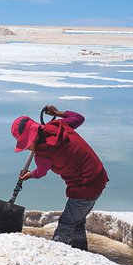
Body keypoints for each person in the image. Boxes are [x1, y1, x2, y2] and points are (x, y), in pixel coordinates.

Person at [10, 105, 108, 250]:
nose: (27, 148)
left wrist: (30, 175)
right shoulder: (59, 125)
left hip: (84, 187)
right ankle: (81, 251)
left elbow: (41, 172)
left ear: (33, 137)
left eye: (27, 144)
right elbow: (79, 118)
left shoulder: (42, 155)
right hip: (98, 176)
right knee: (77, 221)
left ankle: (57, 253)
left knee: (66, 225)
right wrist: (57, 113)